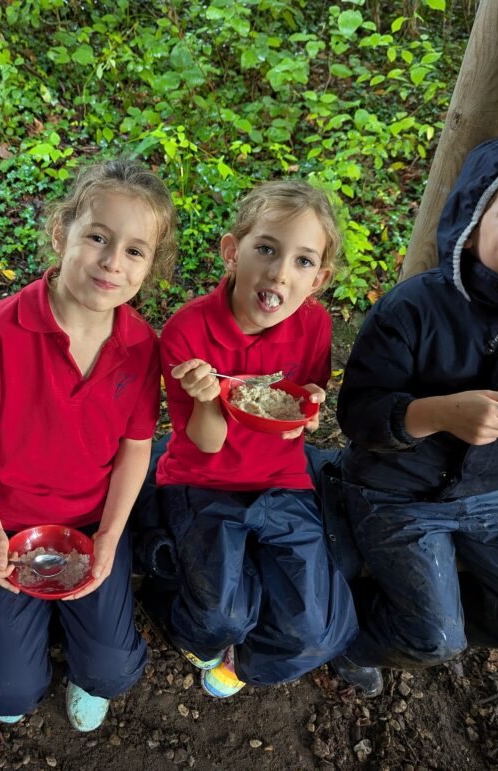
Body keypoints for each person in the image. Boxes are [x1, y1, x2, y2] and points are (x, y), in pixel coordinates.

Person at [334, 136, 498, 695]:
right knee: (436, 642)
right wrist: (438, 414)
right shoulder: (413, 308)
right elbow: (357, 415)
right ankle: (351, 636)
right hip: (395, 492)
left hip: (492, 498)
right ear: (472, 226)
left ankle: (430, 604)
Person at [0, 159, 178, 731]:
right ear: (62, 235)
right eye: (98, 238)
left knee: (108, 670)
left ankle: (84, 657)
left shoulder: (139, 345)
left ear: (150, 266)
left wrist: (109, 535)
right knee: (8, 691)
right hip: (2, 518)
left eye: (135, 251)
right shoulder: (0, 329)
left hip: (88, 521)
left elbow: (135, 447)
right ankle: (14, 646)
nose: (112, 261)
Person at [154, 180, 368, 698]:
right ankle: (174, 600)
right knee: (220, 617)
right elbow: (205, 443)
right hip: (201, 479)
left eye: (301, 261)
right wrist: (208, 397)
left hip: (282, 477)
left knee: (314, 631)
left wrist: (310, 407)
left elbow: (301, 400)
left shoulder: (313, 324)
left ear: (319, 279)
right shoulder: (187, 331)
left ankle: (243, 663)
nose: (278, 272)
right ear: (233, 251)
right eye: (267, 249)